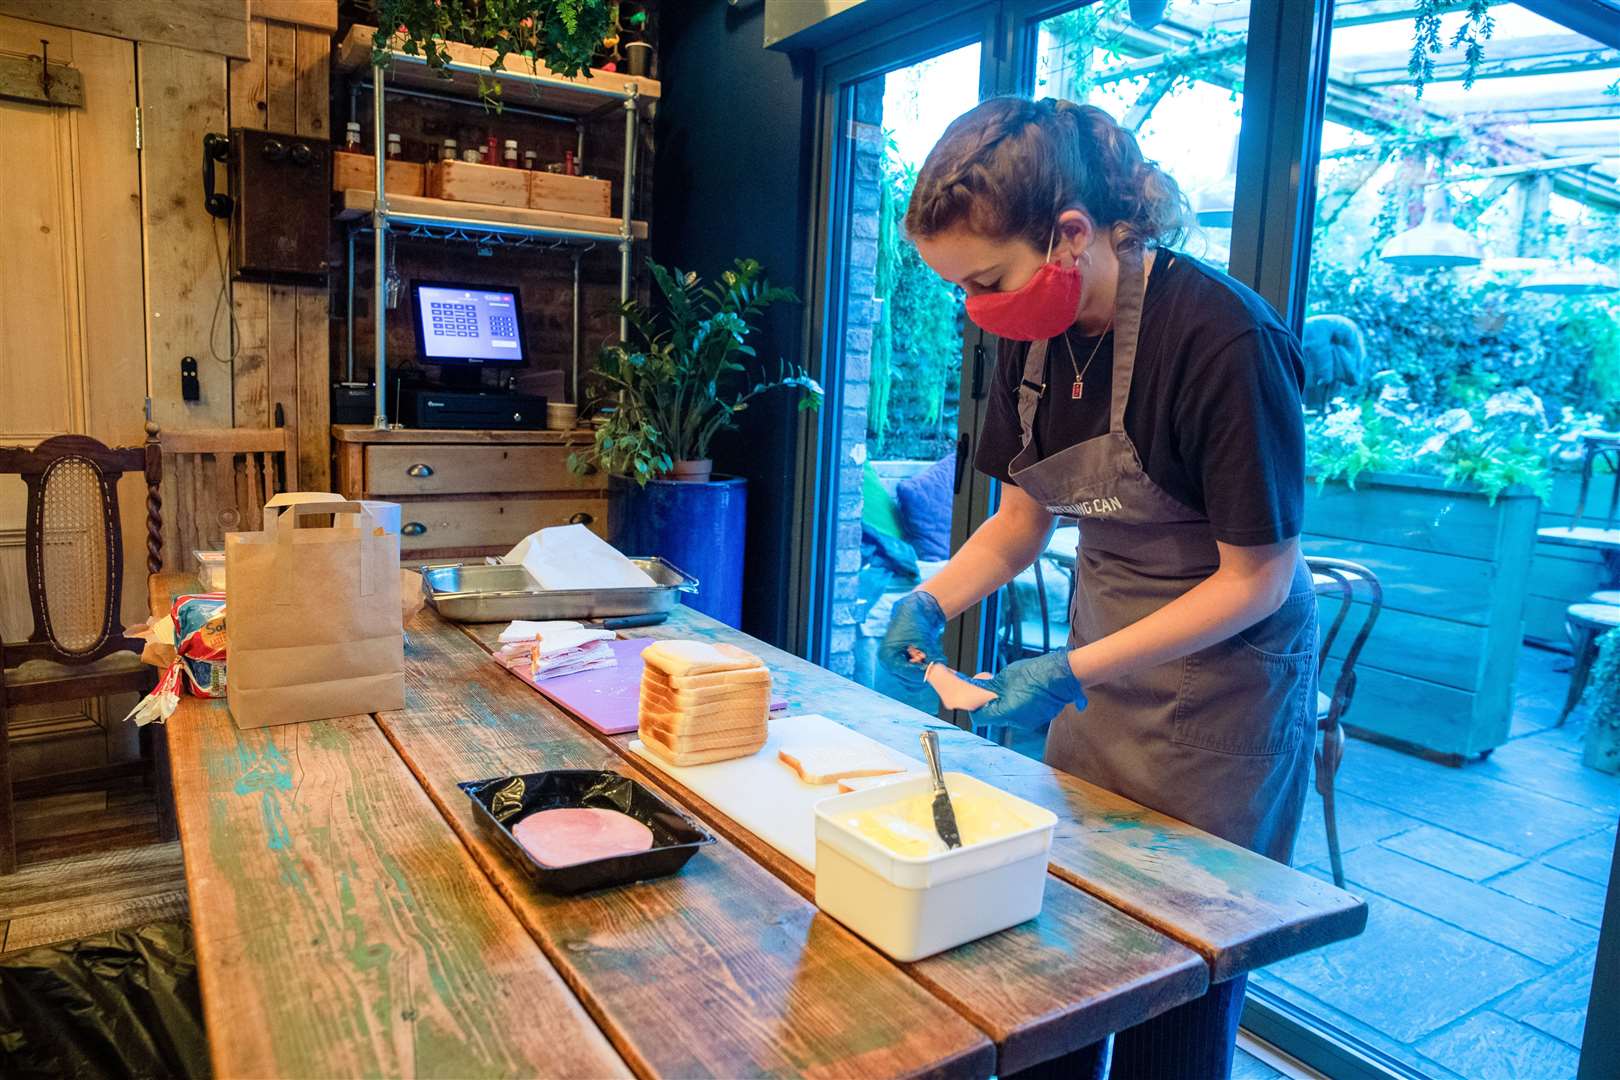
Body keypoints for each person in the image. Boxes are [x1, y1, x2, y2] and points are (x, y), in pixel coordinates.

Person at [878, 96, 1317, 1080]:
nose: (972, 308)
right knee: (1057, 967)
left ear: (1070, 235)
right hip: (1102, 670)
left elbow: (1257, 578)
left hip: (1221, 701)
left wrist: (1071, 666)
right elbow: (1021, 520)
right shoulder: (1021, 334)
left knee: (1174, 985)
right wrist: (932, 602)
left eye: (985, 280)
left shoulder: (1221, 342)